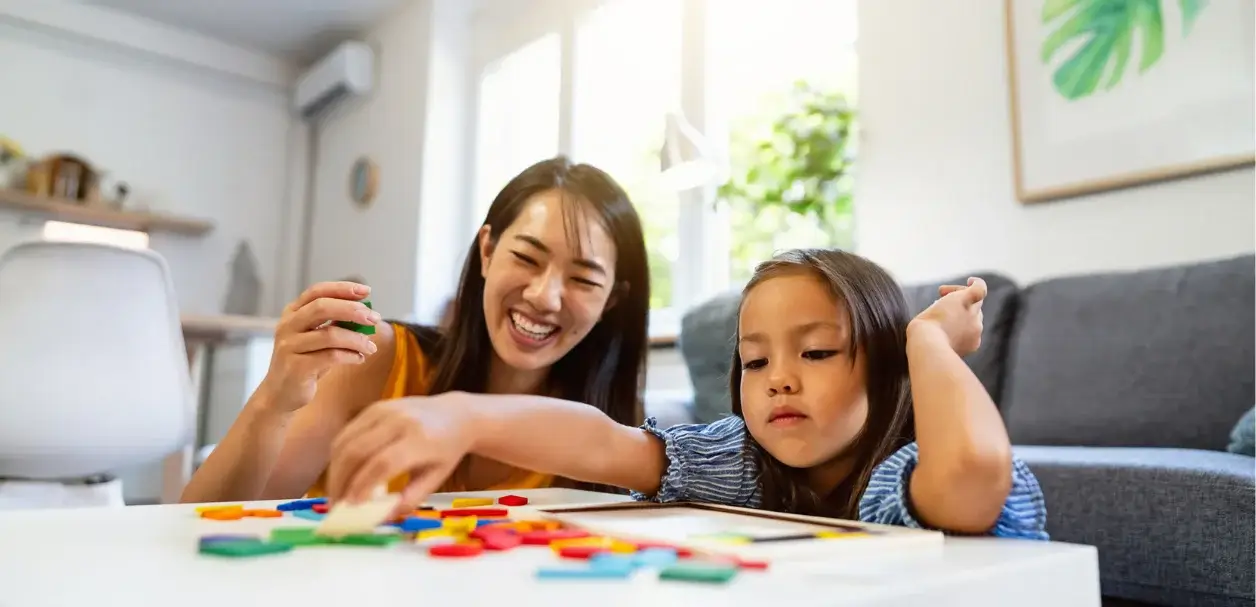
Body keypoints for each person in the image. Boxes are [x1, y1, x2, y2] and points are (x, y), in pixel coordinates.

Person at [323, 249, 1048, 539]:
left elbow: (972, 478)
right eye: (755, 361)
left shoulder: (911, 464)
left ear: (890, 370)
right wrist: (463, 414)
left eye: (817, 351)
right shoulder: (741, 458)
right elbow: (607, 443)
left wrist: (928, 343)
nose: (780, 379)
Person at [180, 156, 651, 502]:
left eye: (583, 279)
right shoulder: (376, 358)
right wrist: (273, 400)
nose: (545, 297)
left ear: (611, 300)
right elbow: (206, 522)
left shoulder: (605, 427)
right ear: (486, 251)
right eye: (526, 258)